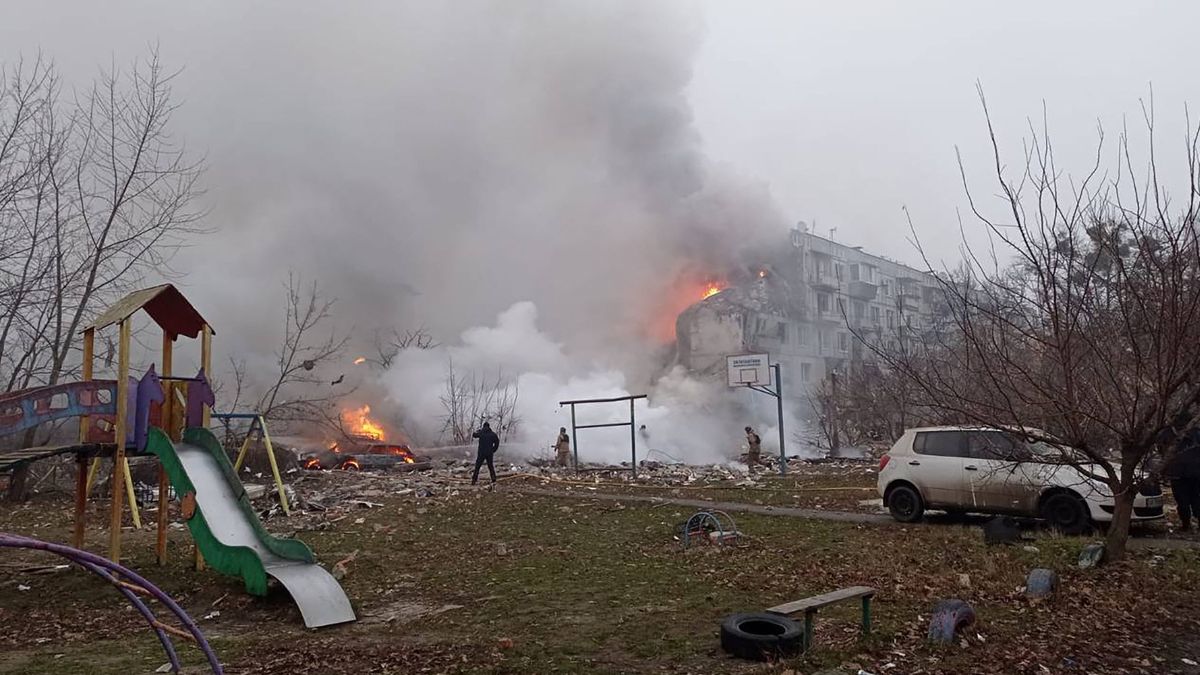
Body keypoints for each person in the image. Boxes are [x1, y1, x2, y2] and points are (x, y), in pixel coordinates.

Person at [1165, 421, 1200, 531]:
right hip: (1194, 472)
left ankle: (1186, 524)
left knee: (1183, 500)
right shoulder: (1196, 433)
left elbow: (1163, 450)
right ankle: (1190, 523)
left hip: (1179, 473)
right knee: (1195, 498)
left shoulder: (1169, 433)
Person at [471, 422, 501, 486]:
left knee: (477, 466)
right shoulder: (493, 434)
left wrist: (476, 431)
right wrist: (493, 450)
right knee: (490, 466)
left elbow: (474, 435)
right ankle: (493, 479)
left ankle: (474, 480)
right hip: (489, 453)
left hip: (481, 453)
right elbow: (497, 443)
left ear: (483, 426)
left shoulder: (481, 433)